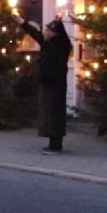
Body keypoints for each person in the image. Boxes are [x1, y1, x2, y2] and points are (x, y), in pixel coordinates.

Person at [13, 12, 72, 154]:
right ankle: (52, 143)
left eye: (48, 30)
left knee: (55, 114)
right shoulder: (47, 43)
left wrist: (58, 22)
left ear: (54, 33)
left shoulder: (61, 46)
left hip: (56, 85)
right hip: (47, 83)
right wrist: (22, 22)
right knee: (48, 114)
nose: (45, 32)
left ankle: (56, 145)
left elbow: (64, 40)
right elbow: (36, 34)